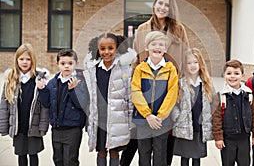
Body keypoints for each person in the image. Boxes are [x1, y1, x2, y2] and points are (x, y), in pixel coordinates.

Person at [123, 0, 189, 166]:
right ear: (154, 5)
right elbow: (136, 60)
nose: (162, 7)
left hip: (170, 90)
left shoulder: (178, 29)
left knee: (165, 143)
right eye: (160, 3)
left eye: (167, 5)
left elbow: (185, 56)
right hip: (145, 90)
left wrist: (180, 88)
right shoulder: (143, 29)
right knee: (141, 141)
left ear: (171, 9)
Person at [83, 33, 136, 166]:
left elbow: (129, 95)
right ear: (97, 49)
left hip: (117, 118)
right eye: (102, 49)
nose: (106, 52)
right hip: (100, 117)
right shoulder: (93, 69)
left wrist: (130, 120)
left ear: (117, 48)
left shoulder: (124, 69)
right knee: (101, 151)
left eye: (110, 48)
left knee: (114, 152)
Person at [131, 31, 179, 166]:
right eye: (153, 44)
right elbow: (136, 91)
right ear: (146, 47)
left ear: (165, 49)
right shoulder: (140, 68)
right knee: (144, 153)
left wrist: (160, 116)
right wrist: (147, 115)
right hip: (143, 119)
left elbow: (172, 93)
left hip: (161, 121)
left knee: (160, 153)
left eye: (161, 44)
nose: (157, 47)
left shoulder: (170, 69)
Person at [37, 49, 89, 166]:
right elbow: (46, 103)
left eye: (70, 63)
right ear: (57, 64)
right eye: (63, 63)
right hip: (56, 128)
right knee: (58, 159)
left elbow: (82, 104)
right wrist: (42, 90)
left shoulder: (80, 82)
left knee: (70, 160)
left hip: (73, 129)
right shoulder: (53, 83)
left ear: (76, 63)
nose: (66, 66)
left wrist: (73, 90)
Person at [0, 43, 49, 166]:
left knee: (33, 154)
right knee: (21, 155)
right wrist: (4, 126)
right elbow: (4, 106)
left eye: (28, 59)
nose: (25, 62)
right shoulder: (11, 79)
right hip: (19, 126)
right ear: (16, 60)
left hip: (34, 125)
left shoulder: (39, 79)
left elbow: (44, 106)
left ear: (33, 60)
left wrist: (42, 127)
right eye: (21, 59)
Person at [213, 59, 254, 166]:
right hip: (227, 140)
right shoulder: (220, 96)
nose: (232, 76)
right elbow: (216, 119)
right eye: (229, 73)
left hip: (244, 139)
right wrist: (218, 138)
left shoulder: (248, 95)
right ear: (224, 75)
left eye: (236, 73)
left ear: (242, 75)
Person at [171, 48, 214, 166]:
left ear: (200, 64)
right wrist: (178, 117)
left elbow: (211, 104)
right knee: (185, 158)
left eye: (195, 62)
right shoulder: (180, 83)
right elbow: (174, 104)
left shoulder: (206, 83)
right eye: (189, 63)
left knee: (197, 157)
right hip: (185, 126)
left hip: (199, 127)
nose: (192, 66)